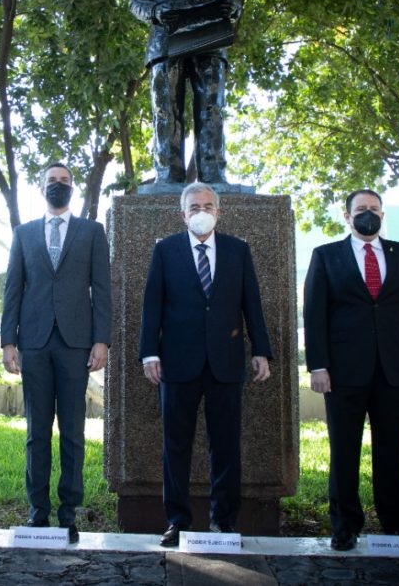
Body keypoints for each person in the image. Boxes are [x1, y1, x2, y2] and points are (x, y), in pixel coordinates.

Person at [139, 182, 272, 547]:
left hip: (226, 364)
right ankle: (177, 521)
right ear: (182, 214)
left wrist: (261, 350)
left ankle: (224, 523)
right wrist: (149, 352)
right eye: (194, 206)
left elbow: (252, 304)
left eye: (208, 205)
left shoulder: (238, 250)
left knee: (226, 446)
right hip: (176, 364)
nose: (201, 211)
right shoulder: (165, 251)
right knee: (176, 446)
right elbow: (152, 305)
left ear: (219, 211)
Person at [303, 189, 399, 551]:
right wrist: (318, 366)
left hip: (395, 371)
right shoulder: (326, 256)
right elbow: (314, 316)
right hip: (343, 374)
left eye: (375, 209)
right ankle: (345, 525)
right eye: (361, 209)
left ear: (383, 215)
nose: (368, 214)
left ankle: (398, 523)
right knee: (344, 451)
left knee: (393, 451)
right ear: (347, 216)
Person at [1, 162, 112, 543]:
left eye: (64, 181)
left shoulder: (92, 232)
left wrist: (102, 340)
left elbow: (102, 288)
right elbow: (13, 289)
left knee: (73, 431)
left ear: (73, 188)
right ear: (41, 187)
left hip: (75, 344)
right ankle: (37, 511)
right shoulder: (24, 234)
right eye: (52, 181)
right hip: (32, 343)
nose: (58, 186)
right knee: (36, 432)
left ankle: (68, 511)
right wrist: (7, 342)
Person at [130, 0, 241, 185]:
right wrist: (155, 10)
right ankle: (168, 175)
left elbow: (233, 2)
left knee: (212, 108)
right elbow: (135, 1)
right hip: (166, 43)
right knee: (166, 110)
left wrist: (233, 7)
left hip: (209, 41)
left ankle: (214, 173)